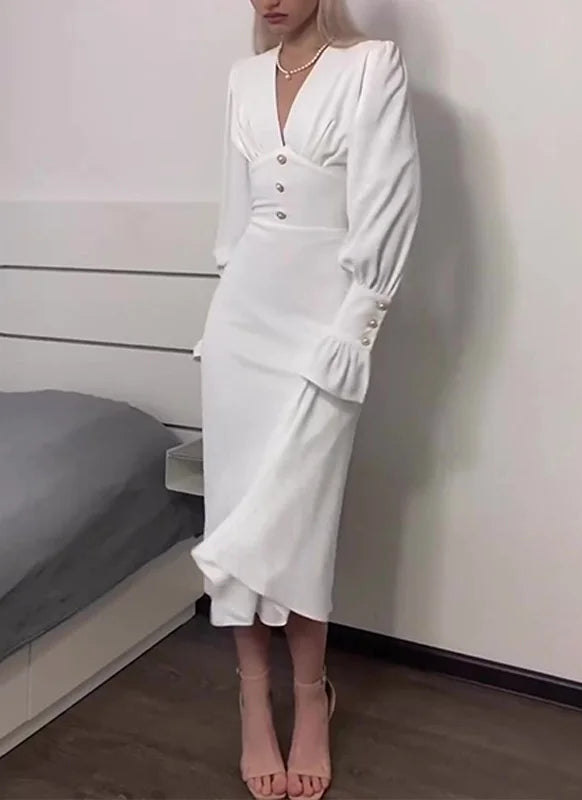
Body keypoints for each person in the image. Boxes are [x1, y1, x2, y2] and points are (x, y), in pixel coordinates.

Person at [191, 1, 421, 797]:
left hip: (324, 322)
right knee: (234, 506)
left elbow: (390, 203)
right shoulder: (243, 77)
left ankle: (312, 696)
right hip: (243, 322)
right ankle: (254, 700)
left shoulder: (372, 65)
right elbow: (235, 222)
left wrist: (354, 330)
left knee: (301, 518)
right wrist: (220, 321)